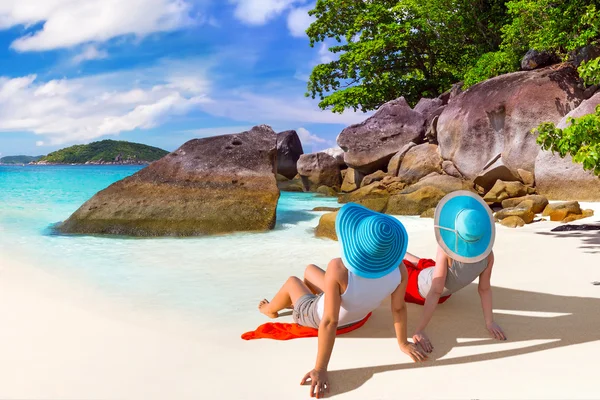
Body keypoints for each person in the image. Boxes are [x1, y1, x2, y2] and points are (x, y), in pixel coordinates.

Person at [258, 203, 427, 398]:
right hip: (358, 314)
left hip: (316, 317)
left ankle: (271, 309)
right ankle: (310, 299)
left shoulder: (338, 268)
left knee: (292, 281)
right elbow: (398, 309)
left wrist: (320, 368)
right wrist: (402, 343)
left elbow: (329, 321)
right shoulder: (399, 269)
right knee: (310, 269)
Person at [402, 190, 507, 353]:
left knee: (395, 265)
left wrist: (419, 329)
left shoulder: (446, 250)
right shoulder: (487, 255)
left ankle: (398, 253)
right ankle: (401, 252)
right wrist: (489, 322)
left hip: (417, 287)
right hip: (437, 274)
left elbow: (435, 291)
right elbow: (484, 289)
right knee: (423, 263)